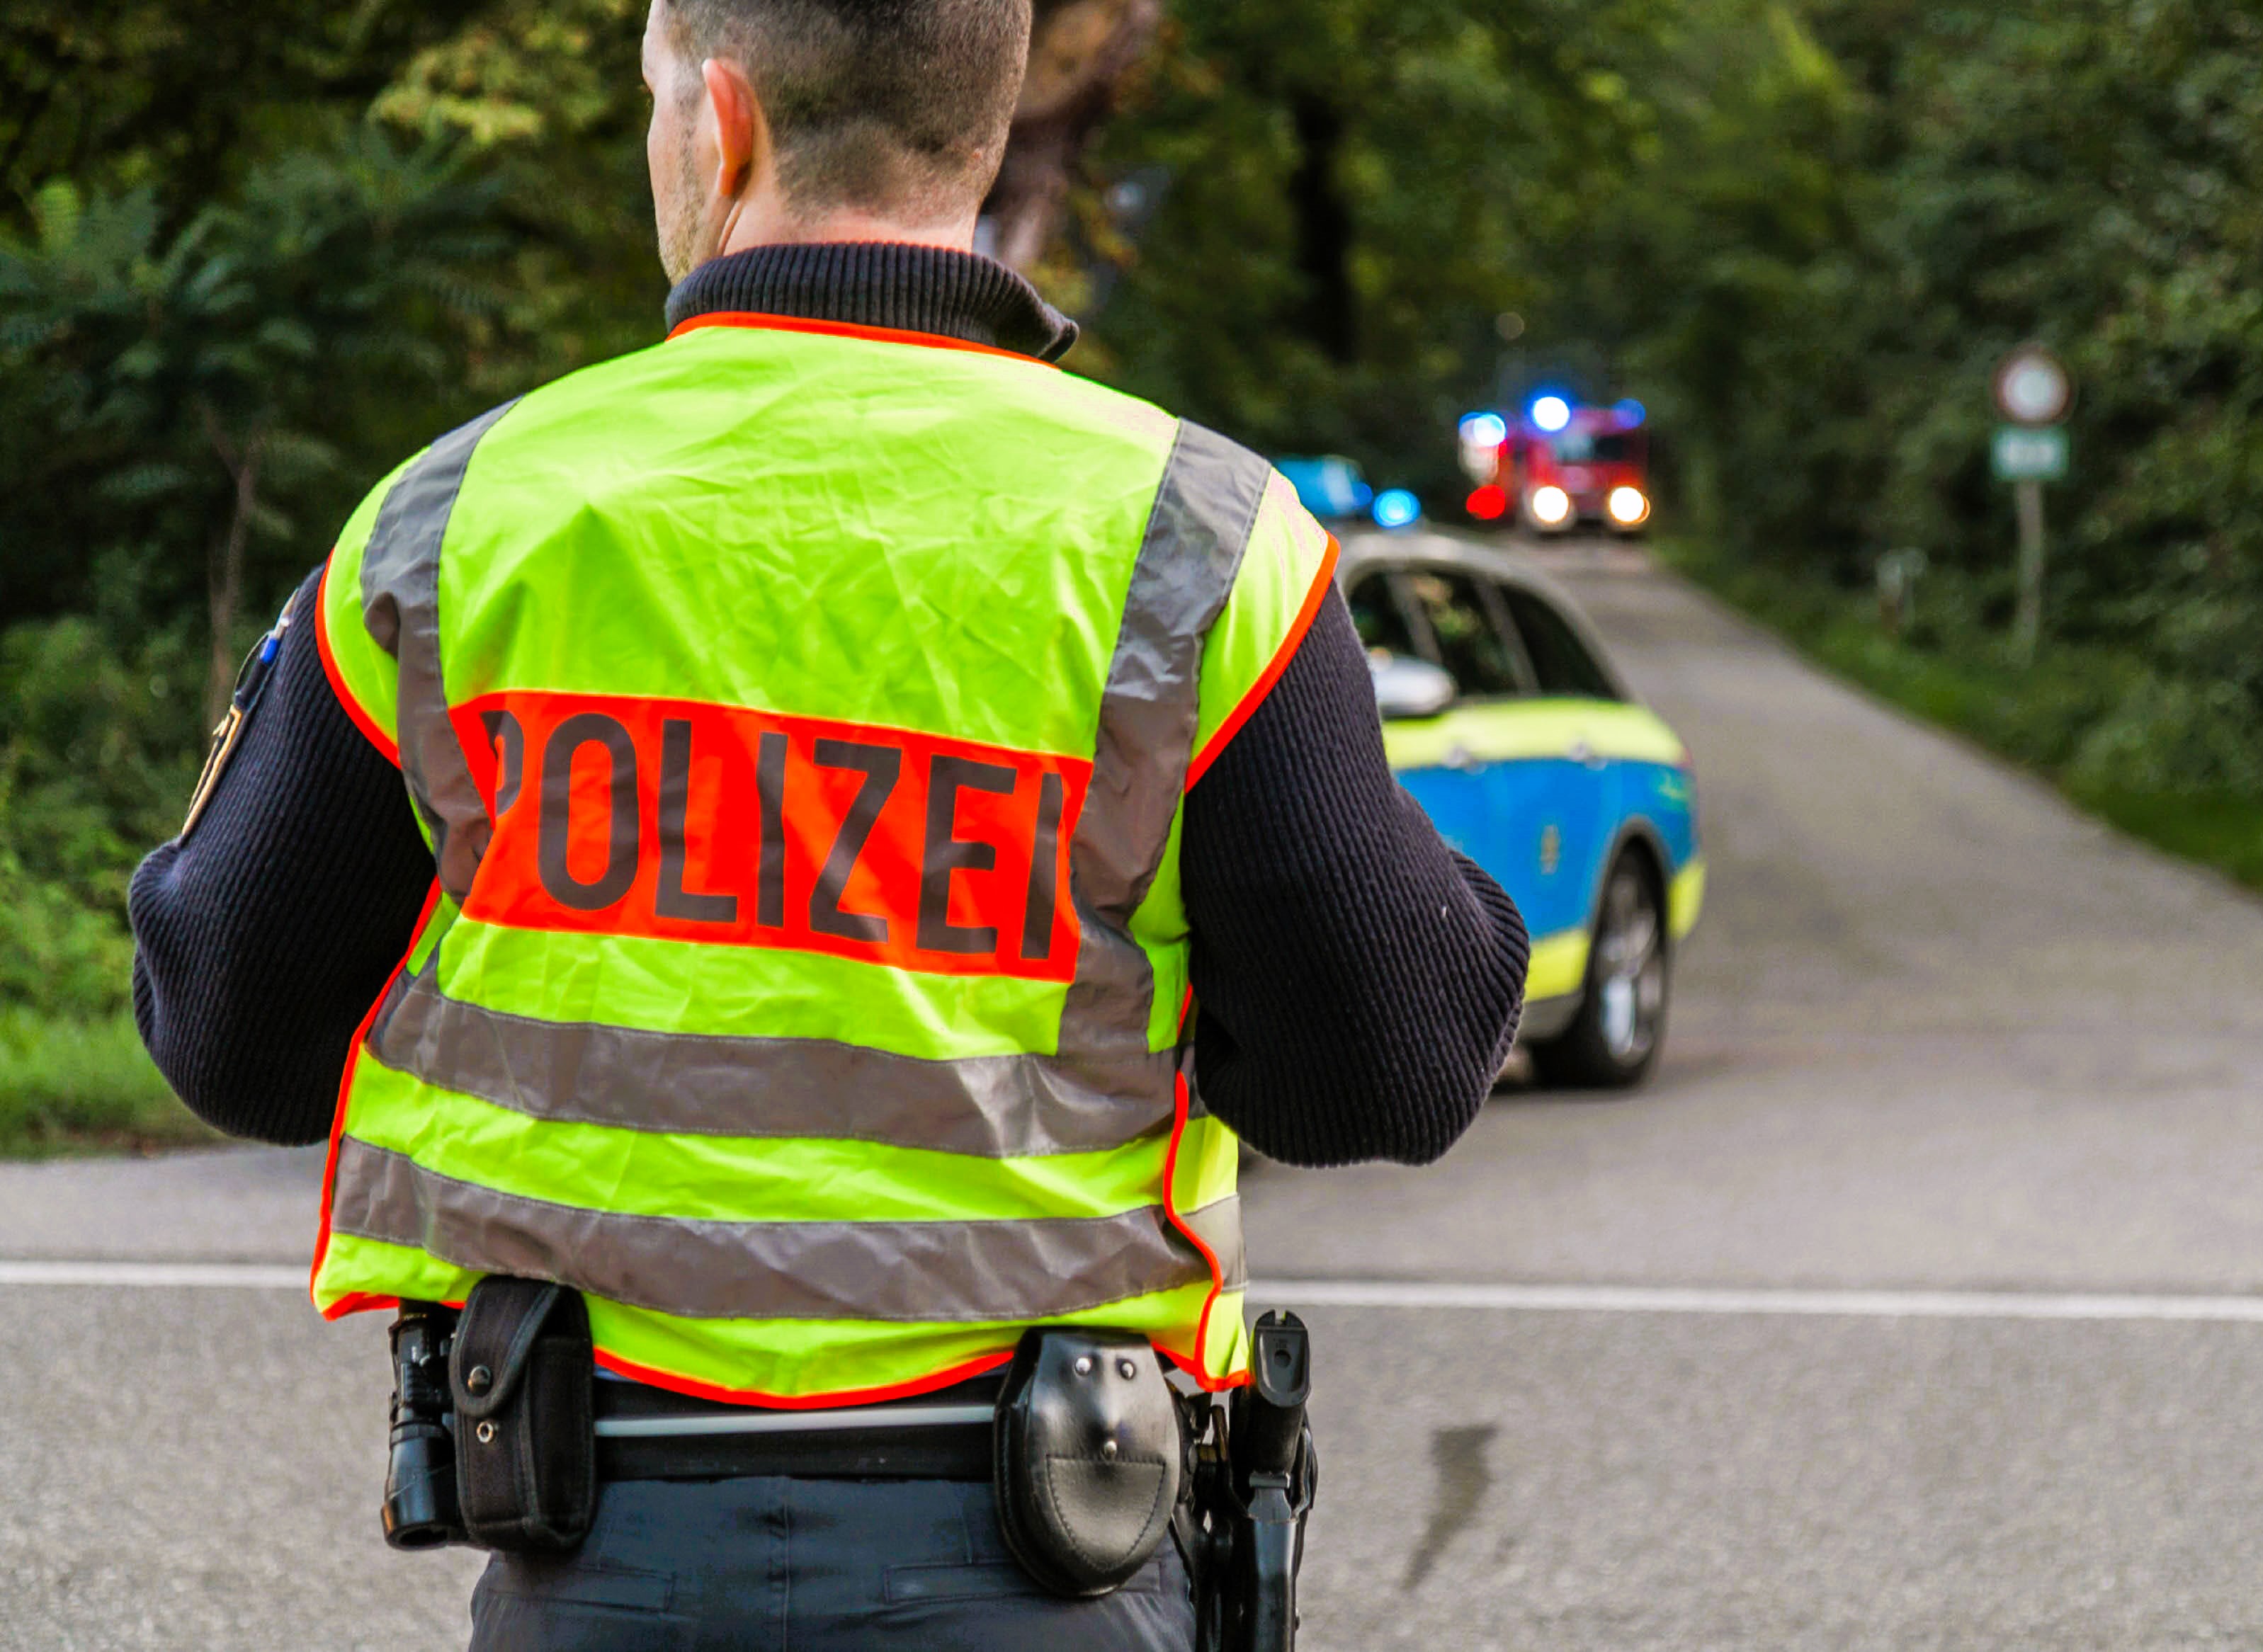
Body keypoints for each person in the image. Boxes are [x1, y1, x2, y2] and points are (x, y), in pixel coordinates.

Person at [127, 0, 1528, 1644]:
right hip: (1042, 1551)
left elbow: (233, 1034)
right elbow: (1385, 1069)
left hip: (601, 1555)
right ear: (985, 134)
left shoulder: (459, 517)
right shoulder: (1202, 541)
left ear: (718, 125)